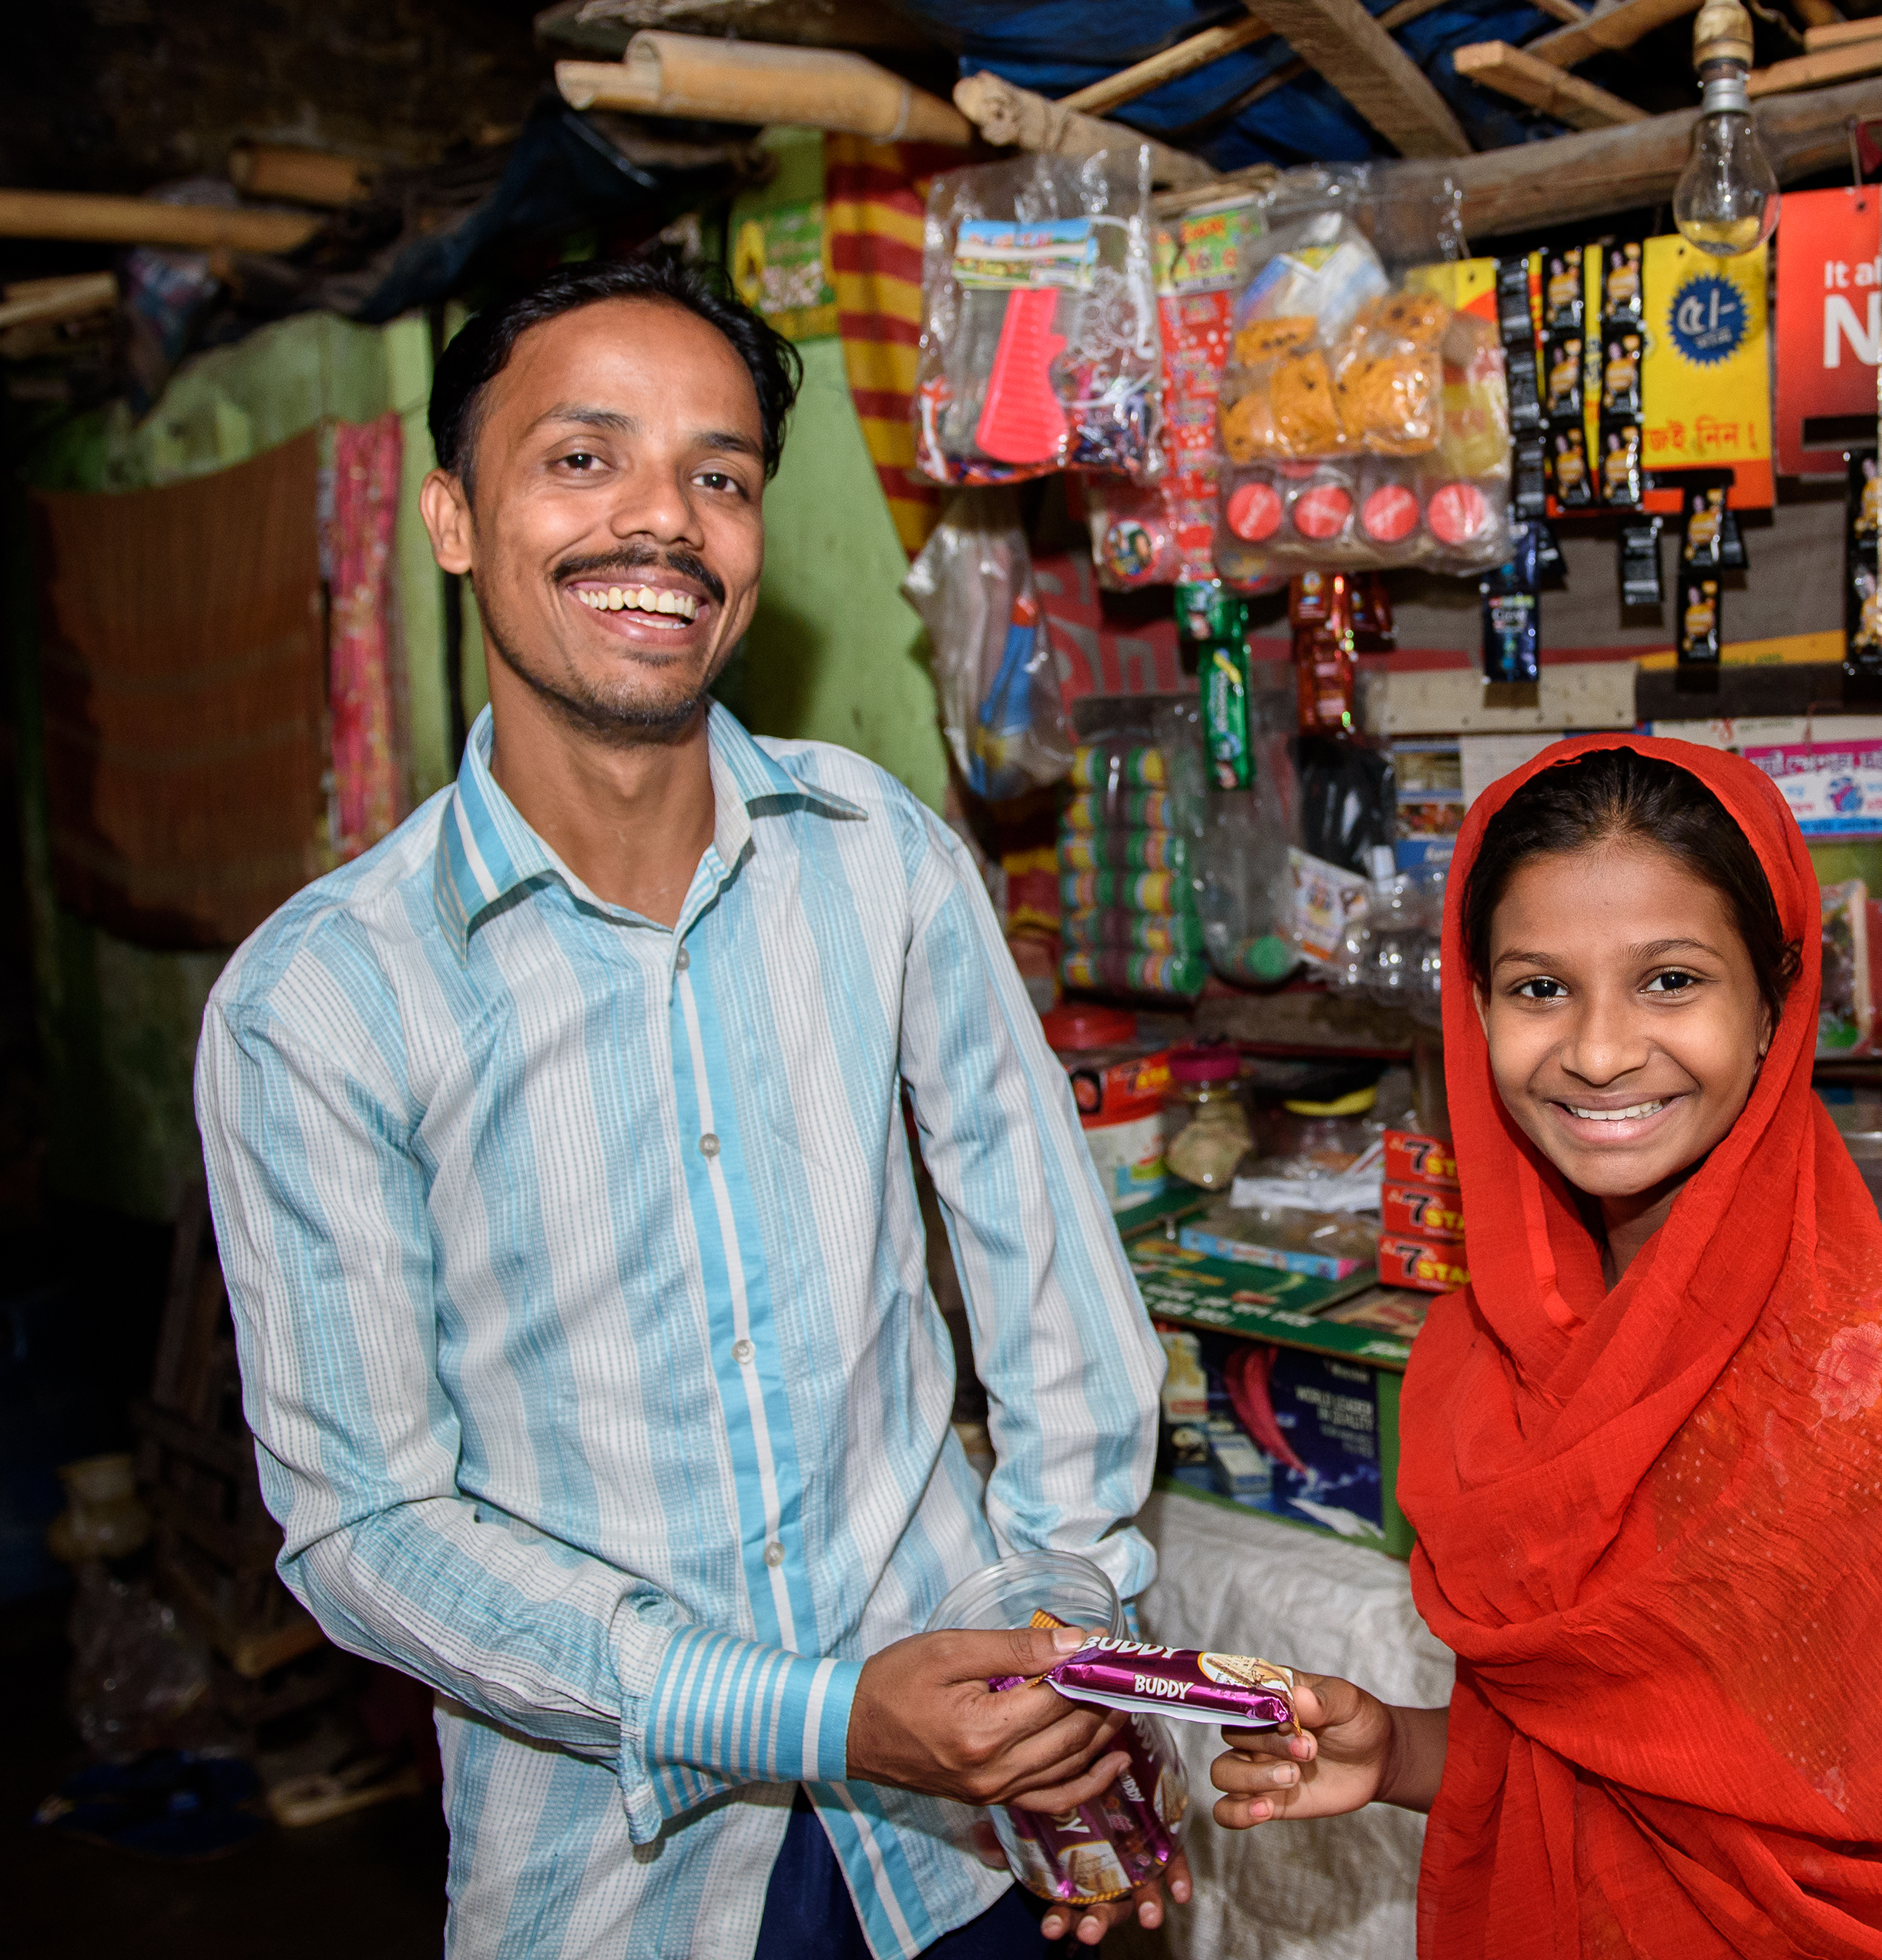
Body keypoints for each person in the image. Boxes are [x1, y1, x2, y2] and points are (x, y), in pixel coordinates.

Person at [193, 257, 1177, 1959]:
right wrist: (811, 1716)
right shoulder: (321, 1002)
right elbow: (367, 1529)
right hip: (618, 1875)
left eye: (718, 475)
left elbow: (1050, 1284)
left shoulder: (876, 858)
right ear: (451, 517)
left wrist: (1065, 1651)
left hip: (962, 1830)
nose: (664, 523)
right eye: (584, 458)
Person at [1208, 737, 1882, 1955]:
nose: (1597, 1054)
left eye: (1669, 982)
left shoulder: (1871, 1369)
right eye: (1538, 988)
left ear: (1774, 1003)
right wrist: (1395, 1751)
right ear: (1472, 1003)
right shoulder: (1486, 1343)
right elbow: (1597, 1762)